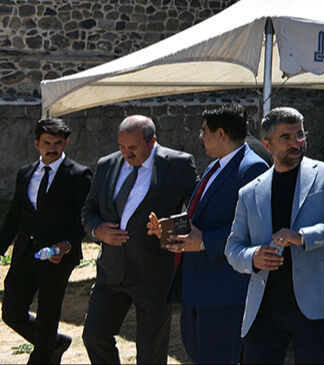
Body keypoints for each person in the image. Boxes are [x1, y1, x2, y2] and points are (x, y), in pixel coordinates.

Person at [225, 106, 324, 364]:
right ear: (267, 143)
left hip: (314, 306)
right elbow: (233, 247)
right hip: (263, 310)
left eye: (300, 135)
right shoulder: (249, 192)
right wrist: (253, 257)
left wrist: (303, 236)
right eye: (286, 137)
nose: (296, 143)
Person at [148, 104, 269, 364]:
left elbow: (255, 230)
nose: (201, 137)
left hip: (223, 291)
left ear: (221, 134)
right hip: (198, 287)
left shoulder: (251, 168)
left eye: (204, 131)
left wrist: (203, 242)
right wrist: (171, 228)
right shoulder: (217, 166)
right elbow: (202, 216)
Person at [81, 114, 198, 365]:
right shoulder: (106, 164)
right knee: (94, 336)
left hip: (153, 275)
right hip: (111, 273)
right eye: (121, 146)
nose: (126, 153)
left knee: (151, 353)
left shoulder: (178, 164)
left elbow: (198, 212)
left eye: (132, 148)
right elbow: (89, 210)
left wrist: (168, 227)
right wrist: (98, 230)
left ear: (152, 140)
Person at [0, 117, 93, 365]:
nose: (52, 148)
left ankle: (43, 355)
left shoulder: (79, 175)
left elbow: (84, 217)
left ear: (66, 143)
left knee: (47, 317)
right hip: (25, 254)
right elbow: (14, 216)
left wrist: (67, 245)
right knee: (11, 312)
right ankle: (54, 343)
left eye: (58, 143)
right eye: (47, 143)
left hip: (57, 258)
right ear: (36, 144)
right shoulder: (25, 173)